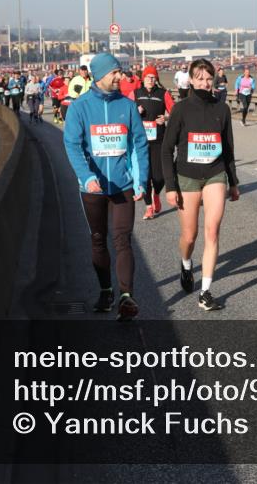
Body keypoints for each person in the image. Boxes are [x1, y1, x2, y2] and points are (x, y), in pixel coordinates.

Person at [63, 53, 148, 321]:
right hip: (93, 188)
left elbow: (139, 144)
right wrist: (86, 176)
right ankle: (106, 290)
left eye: (120, 72)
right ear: (100, 75)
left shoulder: (128, 106)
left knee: (123, 239)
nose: (120, 76)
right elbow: (72, 145)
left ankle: (126, 296)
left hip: (123, 185)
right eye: (115, 72)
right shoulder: (80, 107)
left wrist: (140, 180)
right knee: (98, 239)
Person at [161, 59, 239, 311]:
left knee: (212, 232)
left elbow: (228, 148)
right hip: (187, 177)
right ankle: (186, 263)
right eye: (200, 78)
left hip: (215, 175)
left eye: (209, 78)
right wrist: (170, 186)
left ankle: (205, 292)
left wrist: (233, 182)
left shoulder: (222, 109)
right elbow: (166, 149)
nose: (205, 83)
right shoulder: (181, 109)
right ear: (191, 80)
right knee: (190, 236)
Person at [134, 66, 175, 220]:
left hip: (158, 139)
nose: (150, 80)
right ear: (143, 78)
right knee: (145, 175)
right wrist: (135, 110)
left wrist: (165, 118)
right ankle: (149, 207)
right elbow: (125, 112)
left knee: (159, 176)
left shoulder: (163, 94)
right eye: (148, 77)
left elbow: (175, 111)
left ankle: (156, 193)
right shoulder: (136, 93)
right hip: (140, 140)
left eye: (153, 77)